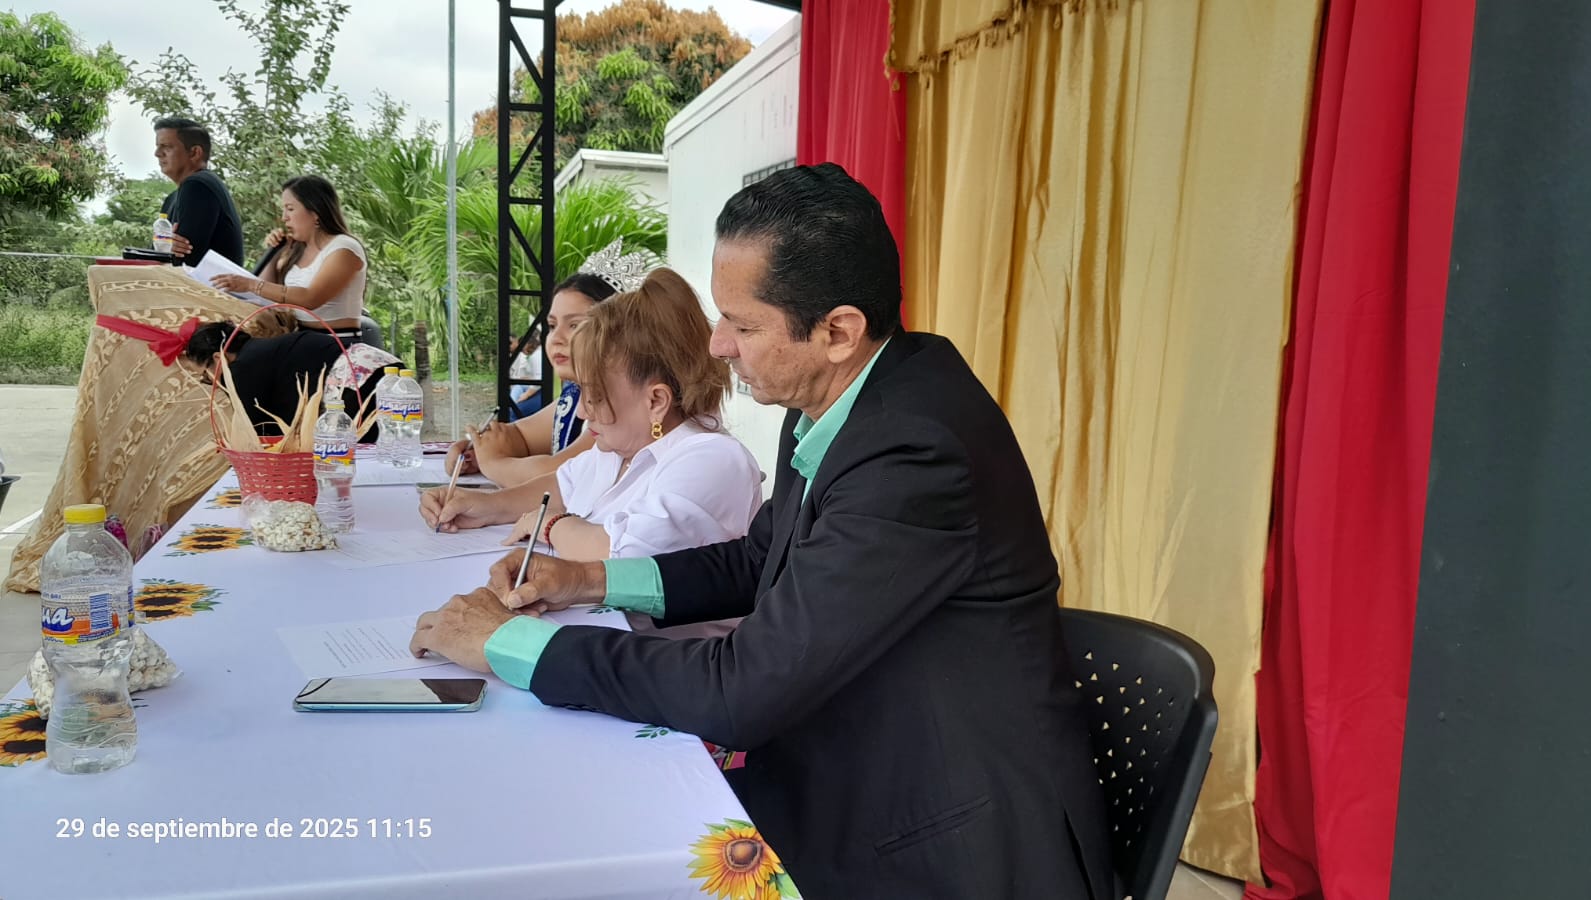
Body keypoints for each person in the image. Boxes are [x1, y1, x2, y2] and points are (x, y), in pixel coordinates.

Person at [407, 164, 1115, 898]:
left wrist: (511, 643)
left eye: (742, 326)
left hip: (946, 837)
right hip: (852, 769)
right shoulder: (842, 400)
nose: (717, 345)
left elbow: (742, 689)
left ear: (838, 331)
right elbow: (759, 557)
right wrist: (588, 580)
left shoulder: (915, 451)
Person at [421, 268, 762, 562]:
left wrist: (550, 525)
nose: (583, 410)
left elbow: (624, 553)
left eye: (595, 396)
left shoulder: (712, 458)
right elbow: (561, 486)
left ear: (656, 400)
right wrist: (482, 506)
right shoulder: (618, 449)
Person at [444, 273, 614, 487]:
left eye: (574, 325)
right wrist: (478, 450)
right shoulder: (575, 396)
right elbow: (522, 437)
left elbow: (561, 476)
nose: (556, 338)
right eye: (552, 326)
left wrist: (493, 464)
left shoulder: (622, 405)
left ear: (617, 332)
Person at [207, 175, 369, 346]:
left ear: (315, 212)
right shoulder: (297, 248)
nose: (284, 217)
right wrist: (275, 253)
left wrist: (250, 284)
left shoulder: (344, 248)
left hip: (335, 342)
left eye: (290, 209)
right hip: (298, 337)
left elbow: (310, 298)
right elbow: (266, 296)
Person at [180, 321, 397, 440]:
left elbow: (257, 433)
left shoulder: (241, 369)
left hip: (355, 382)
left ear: (218, 359)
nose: (211, 381)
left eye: (206, 375)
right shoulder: (263, 350)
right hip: (383, 366)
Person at [153, 117, 244, 266]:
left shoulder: (198, 185)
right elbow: (159, 254)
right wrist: (164, 247)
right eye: (158, 146)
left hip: (207, 281)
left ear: (195, 152)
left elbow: (183, 261)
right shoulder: (172, 198)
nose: (157, 153)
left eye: (167, 147)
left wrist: (165, 249)